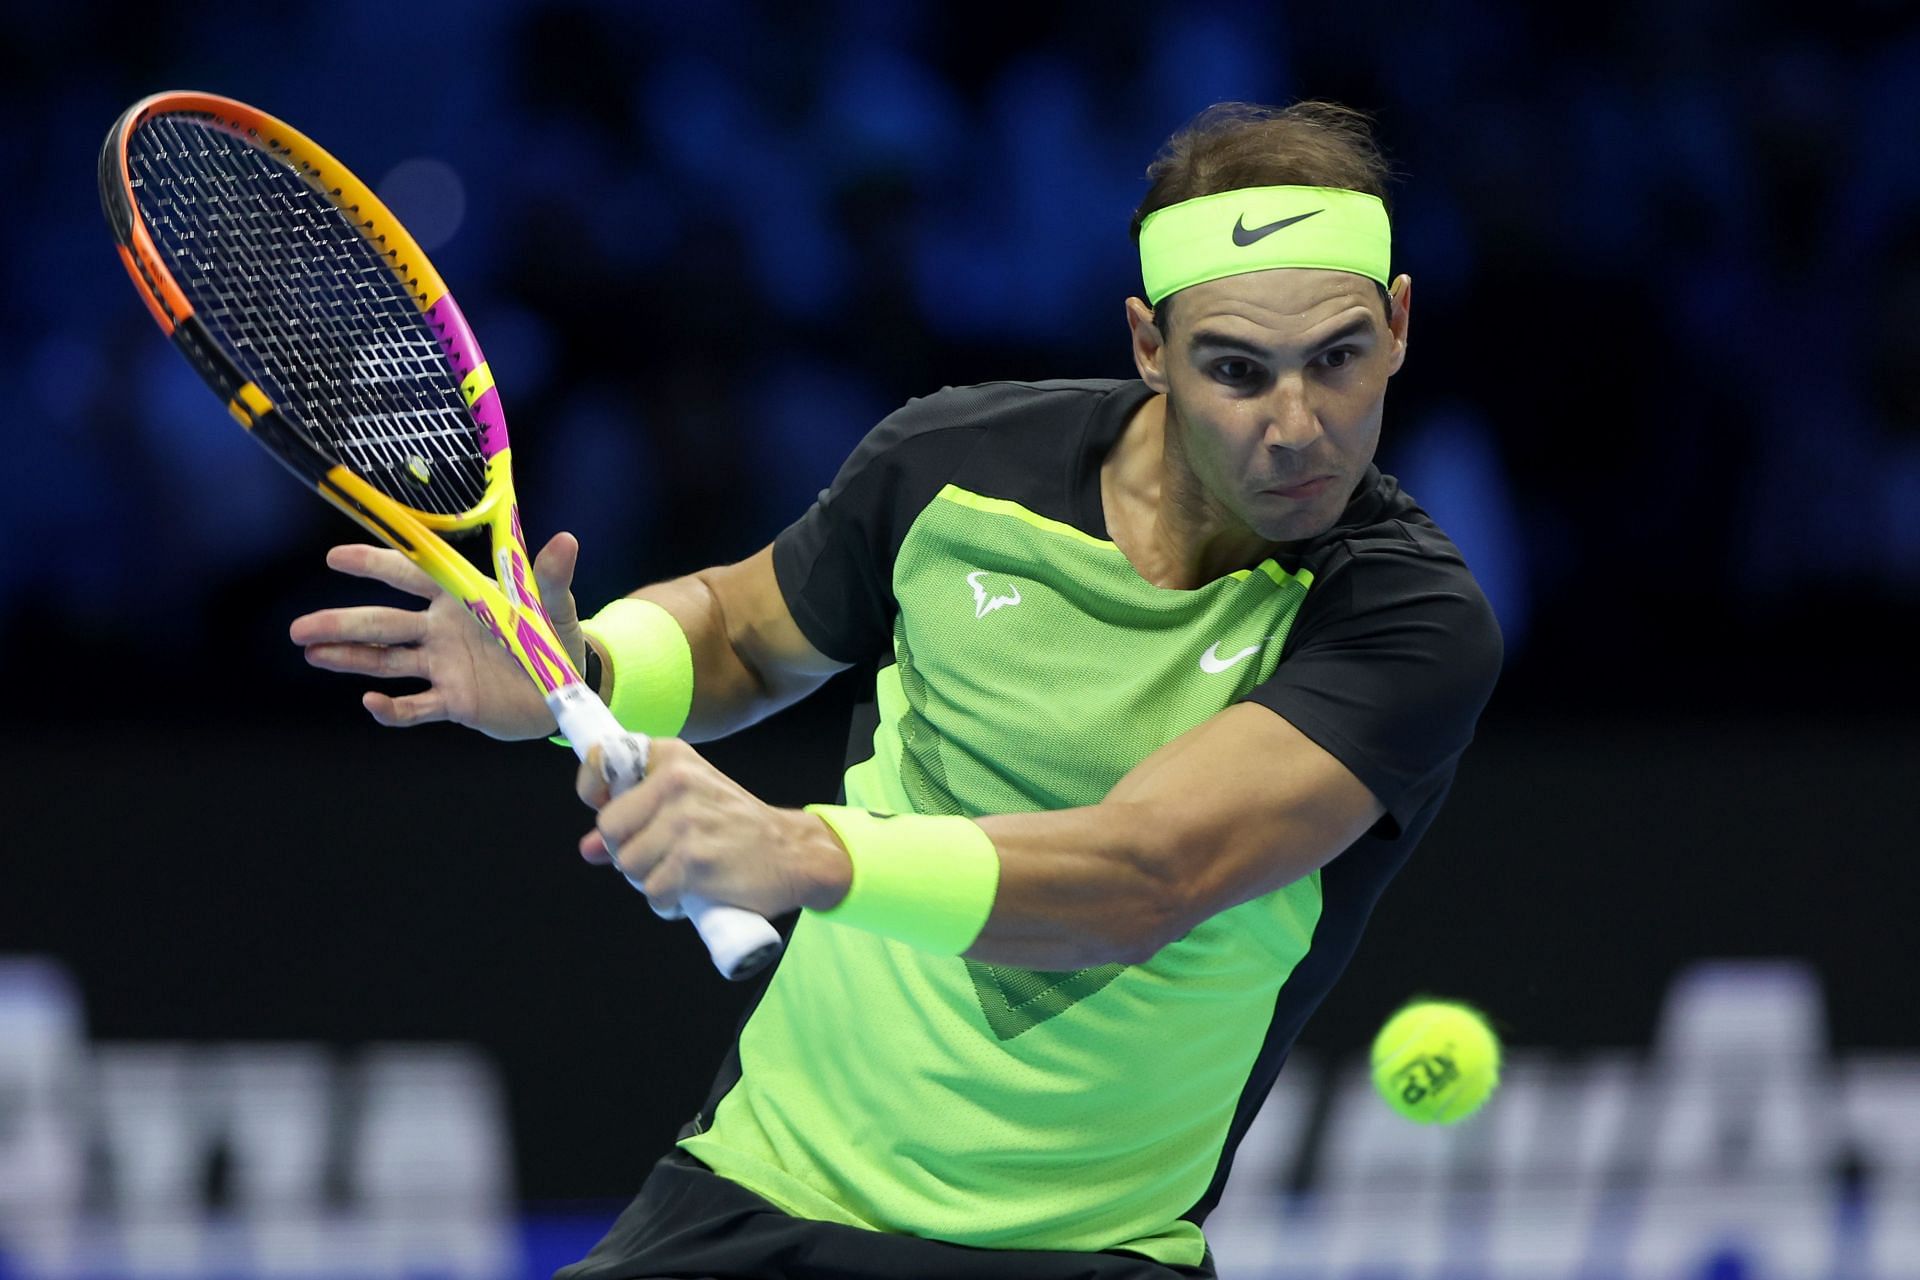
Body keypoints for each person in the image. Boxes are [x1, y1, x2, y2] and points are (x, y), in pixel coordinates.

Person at [290, 100, 1502, 1280]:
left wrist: (807, 852)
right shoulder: (957, 463)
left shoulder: (1406, 618)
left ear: (1397, 325)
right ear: (1150, 347)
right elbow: (747, 631)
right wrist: (596, 664)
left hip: (1080, 1254)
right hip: (757, 1196)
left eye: (1336, 359)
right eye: (1237, 370)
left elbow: (1146, 874)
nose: (1298, 426)